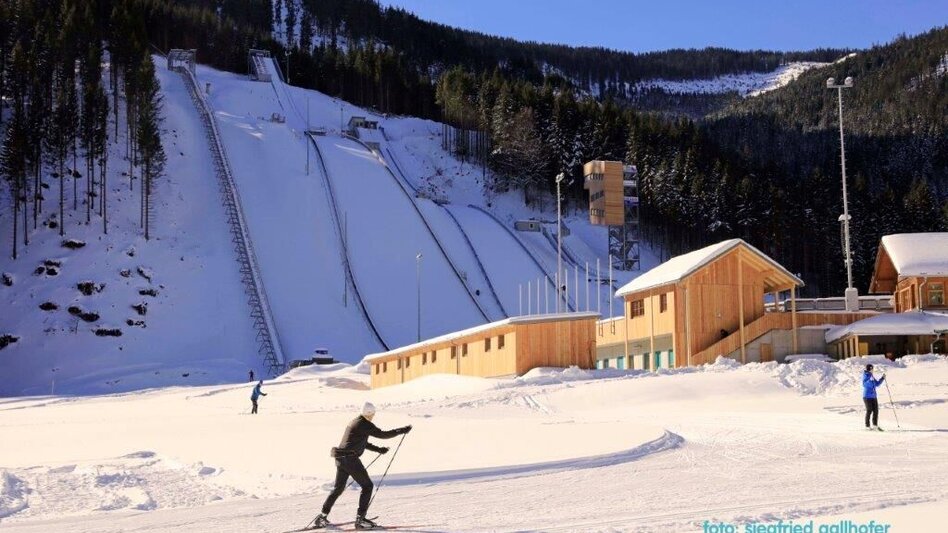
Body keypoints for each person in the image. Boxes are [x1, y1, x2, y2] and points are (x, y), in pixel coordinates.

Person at [313, 402, 412, 530]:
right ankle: (360, 520)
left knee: (338, 489)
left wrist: (378, 449)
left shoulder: (356, 422)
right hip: (350, 460)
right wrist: (401, 430)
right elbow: (383, 434)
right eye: (373, 414)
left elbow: (361, 442)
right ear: (370, 413)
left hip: (341, 459)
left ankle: (322, 517)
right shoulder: (364, 424)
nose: (373, 416)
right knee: (367, 486)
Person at [863, 364, 886, 430]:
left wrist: (882, 378)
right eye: (872, 369)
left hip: (873, 396)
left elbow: (876, 384)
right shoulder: (865, 375)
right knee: (869, 410)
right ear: (869, 369)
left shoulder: (871, 375)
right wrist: (870, 380)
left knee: (876, 411)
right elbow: (865, 384)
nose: (873, 370)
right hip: (867, 396)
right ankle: (867, 426)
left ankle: (875, 425)